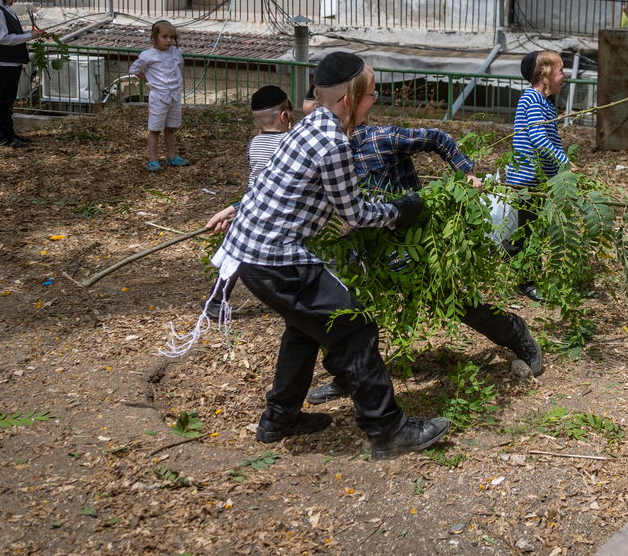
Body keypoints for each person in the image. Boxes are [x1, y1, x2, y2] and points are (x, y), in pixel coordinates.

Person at [204, 51, 449, 459]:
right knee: (355, 329)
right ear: (348, 99)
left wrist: (237, 208)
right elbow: (353, 214)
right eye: (371, 94)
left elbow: (271, 184)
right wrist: (400, 211)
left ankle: (279, 418)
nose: (375, 101)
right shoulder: (333, 143)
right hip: (277, 260)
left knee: (306, 329)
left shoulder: (309, 125)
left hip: (253, 255)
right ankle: (387, 429)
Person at [305, 63, 544, 405]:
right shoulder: (319, 150)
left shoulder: (379, 139)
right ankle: (348, 375)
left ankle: (516, 333)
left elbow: (438, 137)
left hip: (413, 240)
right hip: (364, 243)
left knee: (451, 301)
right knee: (347, 308)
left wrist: (465, 173)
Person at [201, 84, 295, 319]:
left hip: (249, 204)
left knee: (235, 253)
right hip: (272, 206)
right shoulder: (289, 143)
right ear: (285, 115)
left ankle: (215, 300)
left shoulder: (254, 143)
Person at [505, 50, 570, 303]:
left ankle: (514, 258)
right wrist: (565, 163)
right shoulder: (531, 99)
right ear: (545, 74)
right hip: (527, 178)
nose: (564, 75)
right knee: (527, 231)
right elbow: (539, 139)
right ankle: (526, 280)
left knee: (530, 228)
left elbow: (550, 139)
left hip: (539, 179)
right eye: (561, 70)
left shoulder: (543, 103)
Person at [0, 0, 46, 148]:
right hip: (4, 62)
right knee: (4, 101)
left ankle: (9, 133)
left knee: (8, 100)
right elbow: (2, 38)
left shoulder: (5, 8)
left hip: (11, 62)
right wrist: (29, 35)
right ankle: (5, 136)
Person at [129, 20, 188, 172]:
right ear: (154, 38)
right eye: (165, 36)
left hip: (174, 96)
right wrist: (150, 80)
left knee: (171, 128)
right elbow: (135, 69)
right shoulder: (147, 55)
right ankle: (154, 160)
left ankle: (172, 156)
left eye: (172, 37)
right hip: (159, 98)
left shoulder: (176, 52)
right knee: (155, 129)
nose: (169, 40)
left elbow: (178, 67)